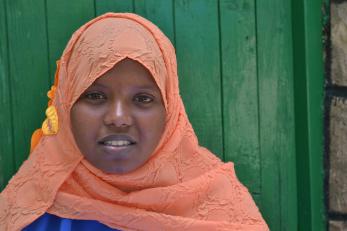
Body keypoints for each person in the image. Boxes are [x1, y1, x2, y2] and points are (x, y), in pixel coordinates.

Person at [0, 13, 268, 231]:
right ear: (65, 104)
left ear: (171, 112)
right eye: (95, 96)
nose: (118, 118)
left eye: (142, 99)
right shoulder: (31, 212)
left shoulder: (222, 211)